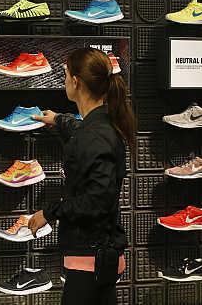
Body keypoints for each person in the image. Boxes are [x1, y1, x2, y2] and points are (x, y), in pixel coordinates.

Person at [28, 47, 136, 305]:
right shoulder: (99, 125)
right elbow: (84, 131)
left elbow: (97, 199)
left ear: (75, 81)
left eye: (65, 75)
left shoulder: (95, 135)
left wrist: (50, 213)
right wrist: (59, 120)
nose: (64, 80)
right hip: (99, 255)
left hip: (91, 258)